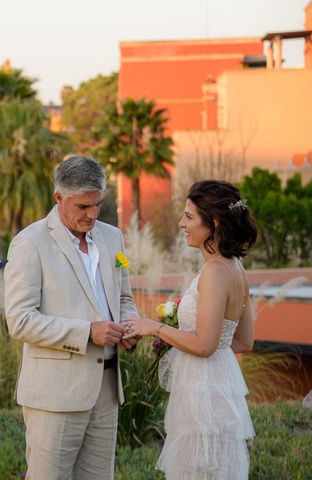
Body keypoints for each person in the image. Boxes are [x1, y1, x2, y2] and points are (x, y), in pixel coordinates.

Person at [4, 155, 139, 480]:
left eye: (97, 205)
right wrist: (87, 333)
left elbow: (123, 298)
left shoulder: (112, 238)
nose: (92, 215)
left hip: (106, 390)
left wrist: (130, 325)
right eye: (82, 207)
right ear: (59, 199)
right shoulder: (29, 243)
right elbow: (19, 320)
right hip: (55, 396)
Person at [123, 180, 258, 479]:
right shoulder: (236, 268)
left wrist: (155, 328)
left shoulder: (213, 272)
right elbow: (244, 340)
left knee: (197, 468)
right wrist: (193, 341)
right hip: (221, 382)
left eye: (189, 216)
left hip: (204, 390)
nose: (181, 223)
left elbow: (204, 345)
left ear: (215, 223)